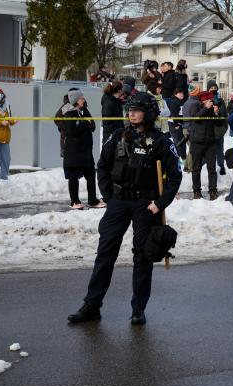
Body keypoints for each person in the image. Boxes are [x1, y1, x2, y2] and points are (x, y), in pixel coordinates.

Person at [67, 92, 182, 326]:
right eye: (129, 109)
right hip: (119, 201)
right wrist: (109, 195)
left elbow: (174, 176)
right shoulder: (119, 136)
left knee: (142, 256)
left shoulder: (161, 141)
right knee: (105, 253)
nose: (131, 113)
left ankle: (138, 308)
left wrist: (159, 204)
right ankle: (92, 305)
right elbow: (103, 165)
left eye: (136, 109)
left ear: (148, 113)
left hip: (146, 204)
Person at [62, 90, 103, 209]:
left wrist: (82, 123)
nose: (83, 100)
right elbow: (71, 131)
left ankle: (93, 200)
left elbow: (93, 125)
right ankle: (75, 201)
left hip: (86, 151)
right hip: (73, 151)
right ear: (75, 100)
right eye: (81, 98)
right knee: (73, 177)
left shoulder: (85, 110)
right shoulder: (69, 113)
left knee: (90, 175)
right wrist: (85, 123)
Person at [189, 91, 220, 200]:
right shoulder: (195, 106)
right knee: (196, 168)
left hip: (210, 142)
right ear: (204, 100)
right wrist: (206, 108)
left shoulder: (211, 108)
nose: (211, 102)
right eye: (209, 100)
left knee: (212, 168)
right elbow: (196, 118)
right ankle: (196, 191)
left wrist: (216, 114)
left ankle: (213, 190)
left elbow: (219, 124)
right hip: (197, 142)